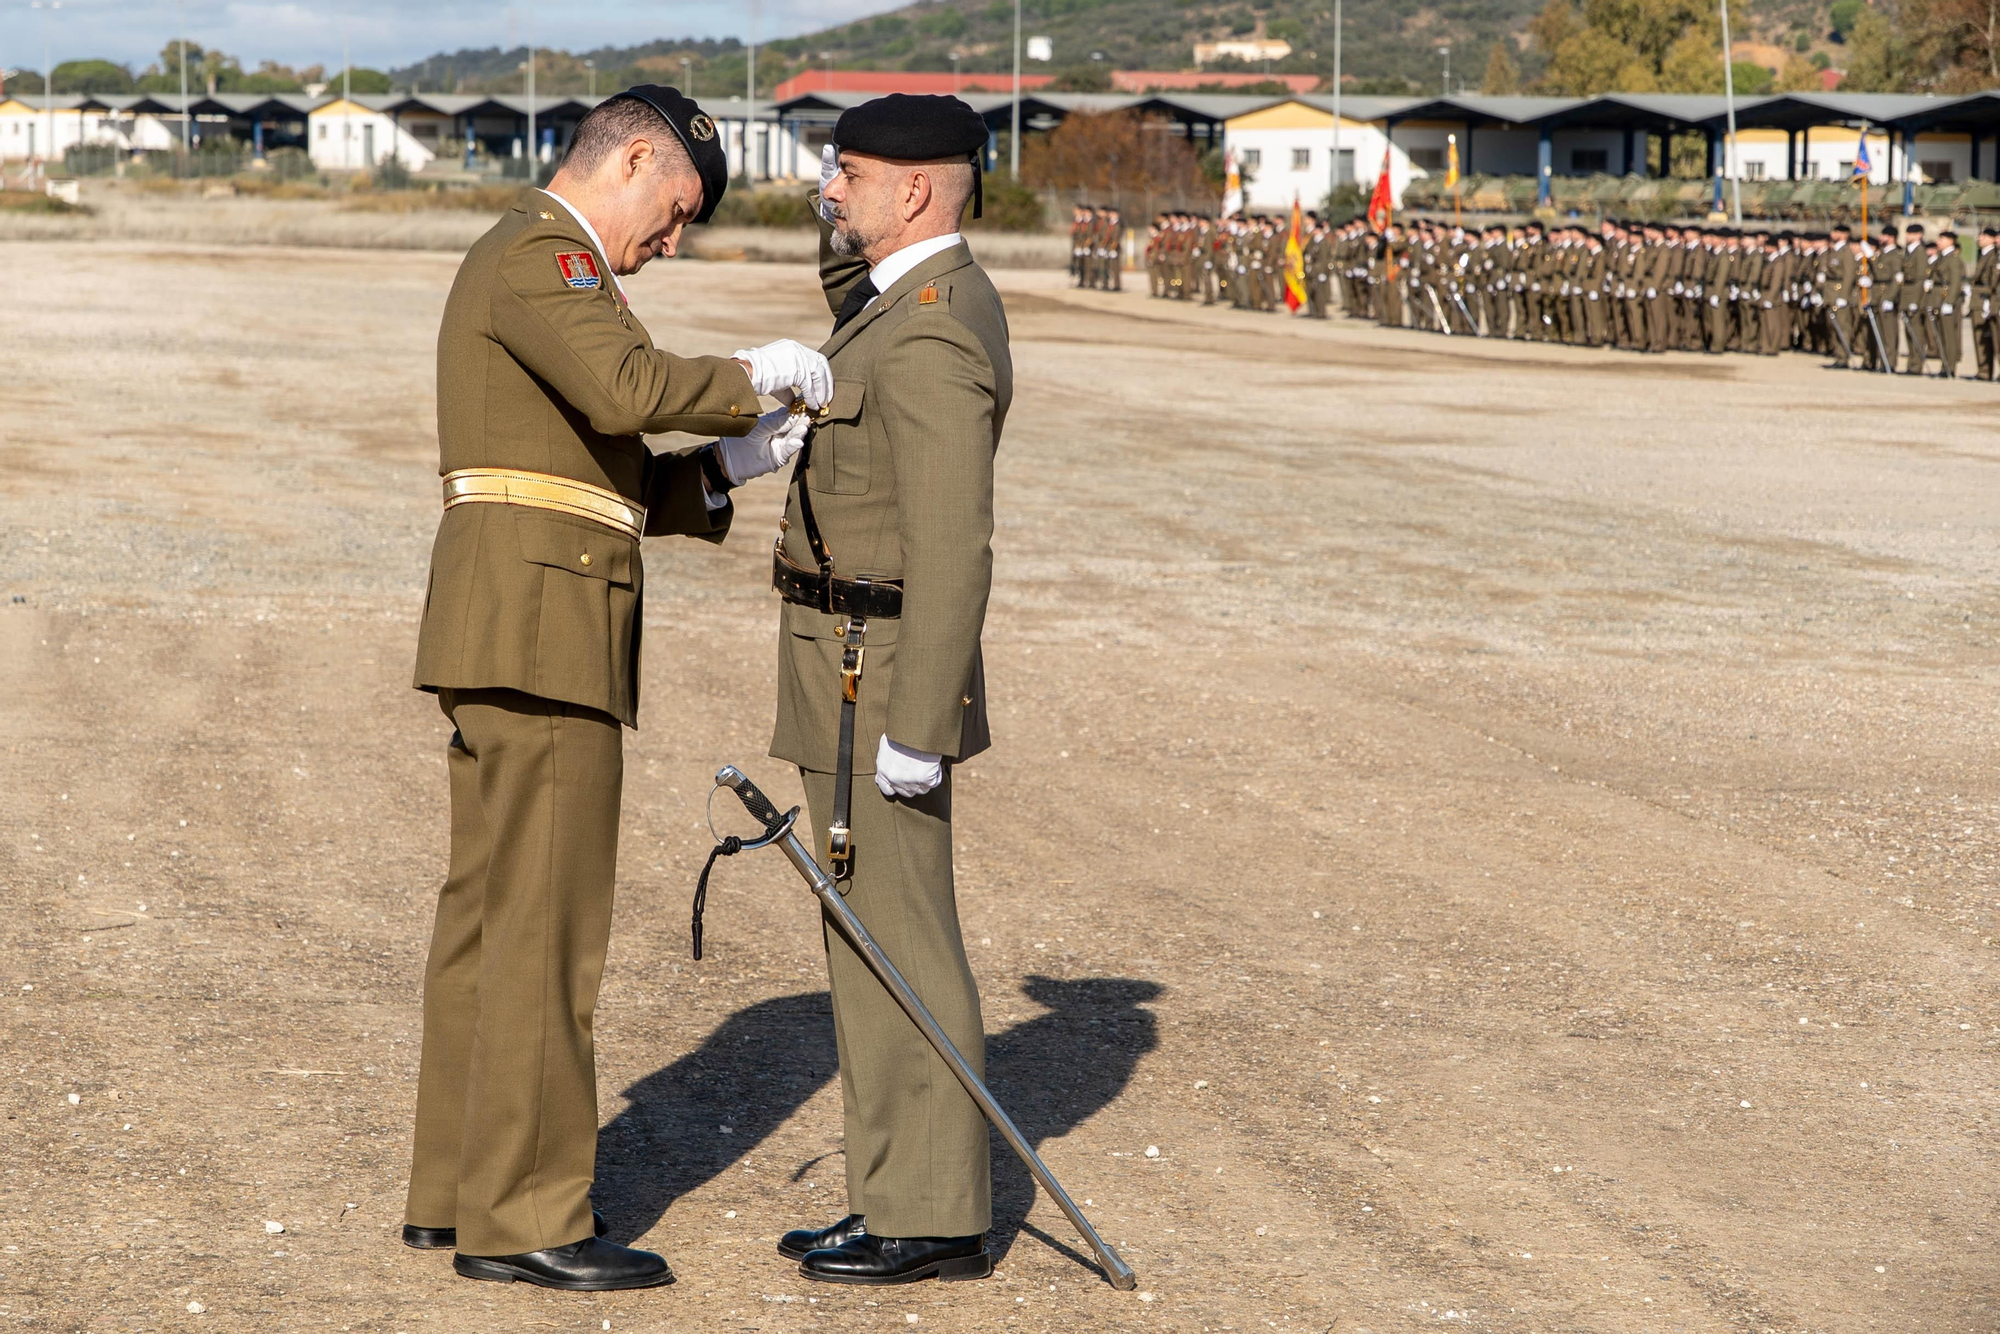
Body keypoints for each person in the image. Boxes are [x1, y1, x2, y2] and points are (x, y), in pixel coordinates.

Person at [403, 85, 834, 1292]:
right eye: (678, 210)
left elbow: (602, 472)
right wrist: (760, 374)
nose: (674, 240)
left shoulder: (530, 266)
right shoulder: (550, 256)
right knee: (543, 928)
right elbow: (628, 393)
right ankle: (525, 1212)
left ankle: (454, 1187)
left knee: (489, 922)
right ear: (634, 158)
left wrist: (728, 466)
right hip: (542, 632)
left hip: (514, 623)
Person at [771, 92, 1010, 1287]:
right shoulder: (898, 301)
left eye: (848, 172)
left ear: (913, 190)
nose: (830, 189)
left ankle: (927, 1209)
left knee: (897, 933)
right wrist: (839, 214)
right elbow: (841, 282)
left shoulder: (931, 328)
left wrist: (920, 727)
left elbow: (955, 544)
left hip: (882, 677)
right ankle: (893, 1190)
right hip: (848, 661)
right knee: (862, 927)